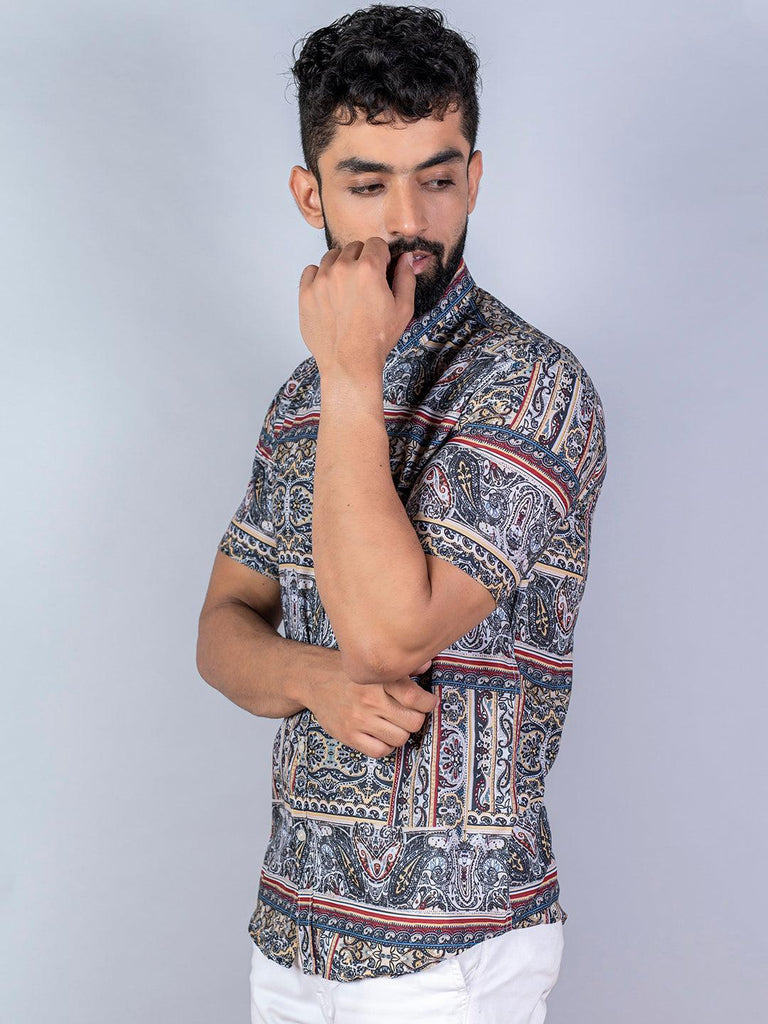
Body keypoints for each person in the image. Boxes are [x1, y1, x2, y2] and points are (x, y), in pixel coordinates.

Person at [196, 5, 608, 1022]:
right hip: (293, 936)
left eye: (437, 177)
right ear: (311, 193)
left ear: (475, 177)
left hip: (451, 954)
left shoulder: (531, 385)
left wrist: (351, 373)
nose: (409, 219)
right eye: (367, 183)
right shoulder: (302, 398)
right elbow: (221, 631)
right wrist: (310, 678)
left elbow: (387, 638)